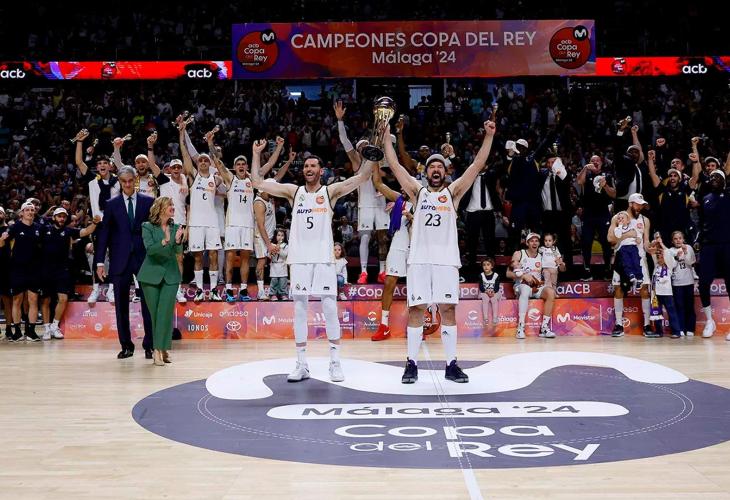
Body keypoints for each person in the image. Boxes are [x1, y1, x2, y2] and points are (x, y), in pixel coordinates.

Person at [251, 138, 374, 383]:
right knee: (299, 310)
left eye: (313, 166)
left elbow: (362, 177)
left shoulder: (330, 192)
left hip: (323, 259)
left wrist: (371, 155)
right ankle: (301, 364)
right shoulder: (293, 192)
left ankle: (335, 362)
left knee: (329, 308)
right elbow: (257, 182)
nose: (309, 169)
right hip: (299, 260)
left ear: (321, 170)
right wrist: (256, 154)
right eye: (306, 166)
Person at [384, 119, 496, 384]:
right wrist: (387, 135)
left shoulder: (453, 193)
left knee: (448, 310)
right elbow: (396, 165)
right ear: (426, 172)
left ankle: (451, 364)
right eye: (432, 166)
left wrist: (489, 136)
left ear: (446, 172)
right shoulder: (417, 192)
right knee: (416, 310)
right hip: (419, 261)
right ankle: (411, 363)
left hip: (446, 261)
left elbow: (476, 166)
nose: (436, 169)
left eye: (440, 166)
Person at [94, 166, 155, 359]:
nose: (127, 184)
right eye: (124, 181)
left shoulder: (149, 201)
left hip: (144, 259)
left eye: (130, 180)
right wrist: (99, 262)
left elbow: (155, 231)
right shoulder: (111, 204)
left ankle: (150, 345)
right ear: (119, 182)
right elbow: (104, 234)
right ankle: (126, 346)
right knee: (121, 306)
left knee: (149, 303)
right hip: (120, 260)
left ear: (135, 180)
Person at [222, 137, 285, 302]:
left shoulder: (253, 179)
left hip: (248, 226)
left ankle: (243, 290)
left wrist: (279, 147)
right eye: (238, 164)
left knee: (245, 259)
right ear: (234, 167)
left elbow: (270, 165)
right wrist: (210, 145)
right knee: (230, 259)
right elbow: (218, 163)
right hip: (232, 225)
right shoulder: (230, 179)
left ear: (247, 166)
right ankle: (228, 290)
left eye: (243, 163)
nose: (241, 166)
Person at [334, 101, 389, 284]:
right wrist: (340, 121)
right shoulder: (357, 163)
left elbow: (387, 175)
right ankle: (363, 272)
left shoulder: (379, 162)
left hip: (380, 203)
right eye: (362, 146)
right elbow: (345, 141)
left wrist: (382, 123)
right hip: (365, 203)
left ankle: (383, 271)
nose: (365, 148)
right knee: (365, 237)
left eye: (367, 145)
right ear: (358, 150)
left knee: (382, 238)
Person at [72, 129, 119, 305]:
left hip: (115, 224)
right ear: (97, 167)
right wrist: (79, 142)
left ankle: (112, 289)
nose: (102, 165)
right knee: (98, 257)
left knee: (114, 257)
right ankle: (96, 289)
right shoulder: (93, 179)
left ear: (111, 166)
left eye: (105, 163)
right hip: (99, 224)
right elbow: (79, 162)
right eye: (99, 163)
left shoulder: (119, 181)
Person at [138, 197, 185, 366]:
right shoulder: (147, 227)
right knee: (155, 315)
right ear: (160, 208)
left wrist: (177, 241)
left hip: (170, 276)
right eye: (169, 205)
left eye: (173, 204)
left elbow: (177, 251)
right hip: (150, 276)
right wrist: (166, 241)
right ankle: (158, 350)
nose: (173, 207)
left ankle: (161, 349)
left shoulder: (176, 227)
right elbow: (151, 250)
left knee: (165, 314)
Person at [39, 208, 100, 340]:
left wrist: (95, 223)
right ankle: (46, 328)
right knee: (45, 300)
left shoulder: (68, 231)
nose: (62, 219)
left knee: (63, 299)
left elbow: (86, 231)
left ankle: (55, 326)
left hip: (62, 270)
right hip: (46, 270)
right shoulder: (44, 229)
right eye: (59, 216)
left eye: (63, 216)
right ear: (54, 217)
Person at [370, 161, 413, 341]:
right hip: (398, 244)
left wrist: (411, 217)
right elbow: (378, 183)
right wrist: (374, 160)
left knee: (416, 286)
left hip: (416, 247)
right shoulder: (398, 199)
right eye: (401, 185)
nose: (402, 188)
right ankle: (384, 326)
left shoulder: (422, 200)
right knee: (389, 283)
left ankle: (417, 325)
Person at [146, 131, 188, 304]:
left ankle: (177, 289)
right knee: (161, 257)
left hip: (180, 225)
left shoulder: (186, 184)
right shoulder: (164, 180)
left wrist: (186, 227)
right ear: (169, 169)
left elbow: (188, 208)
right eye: (174, 167)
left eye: (179, 167)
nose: (176, 170)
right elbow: (151, 164)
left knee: (178, 259)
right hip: (163, 225)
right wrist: (150, 146)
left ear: (181, 169)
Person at [607, 193, 655, 338]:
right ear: (630, 203)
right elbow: (610, 239)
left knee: (644, 289)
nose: (640, 207)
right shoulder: (618, 217)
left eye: (642, 205)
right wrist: (628, 235)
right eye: (637, 204)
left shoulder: (645, 220)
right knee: (619, 289)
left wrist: (651, 248)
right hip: (622, 258)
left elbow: (645, 242)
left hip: (639, 258)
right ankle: (619, 324)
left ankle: (647, 325)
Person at [0, 202, 43, 341]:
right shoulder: (14, 227)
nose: (30, 212)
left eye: (32, 210)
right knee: (17, 300)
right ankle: (17, 331)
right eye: (27, 210)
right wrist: (2, 239)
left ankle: (31, 331)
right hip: (17, 269)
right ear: (22, 213)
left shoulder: (39, 228)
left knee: (33, 300)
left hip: (34, 269)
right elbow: (2, 244)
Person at [695, 169, 730, 340]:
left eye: (717, 176)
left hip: (728, 245)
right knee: (703, 283)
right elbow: (702, 223)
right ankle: (710, 321)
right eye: (711, 177)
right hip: (709, 246)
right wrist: (698, 239)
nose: (713, 179)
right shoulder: (705, 199)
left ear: (724, 180)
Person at [508, 232, 557, 339]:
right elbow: (508, 273)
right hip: (521, 285)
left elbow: (555, 267)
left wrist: (561, 264)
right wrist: (523, 276)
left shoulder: (542, 255)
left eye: (536, 241)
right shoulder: (519, 254)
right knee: (525, 289)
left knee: (550, 292)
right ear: (527, 243)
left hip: (536, 287)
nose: (534, 243)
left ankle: (544, 328)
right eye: (531, 241)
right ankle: (520, 328)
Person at [576, 154, 616, 281]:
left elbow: (614, 194)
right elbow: (579, 181)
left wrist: (605, 186)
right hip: (588, 214)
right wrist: (585, 168)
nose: (595, 162)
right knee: (586, 242)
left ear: (601, 163)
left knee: (606, 242)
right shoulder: (586, 174)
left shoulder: (608, 176)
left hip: (603, 213)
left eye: (597, 160)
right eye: (592, 161)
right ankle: (587, 270)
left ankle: (608, 269)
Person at [648, 236, 681, 338]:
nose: (659, 258)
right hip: (655, 293)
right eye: (658, 256)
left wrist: (661, 243)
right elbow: (651, 250)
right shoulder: (656, 265)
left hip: (667, 293)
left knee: (671, 312)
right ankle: (658, 331)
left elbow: (668, 253)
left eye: (661, 256)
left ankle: (676, 332)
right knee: (656, 313)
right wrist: (654, 243)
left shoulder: (669, 265)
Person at [668, 231, 696, 337]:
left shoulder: (688, 247)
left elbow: (691, 262)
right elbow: (671, 266)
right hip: (677, 283)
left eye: (680, 238)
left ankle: (690, 329)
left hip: (688, 281)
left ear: (683, 239)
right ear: (672, 241)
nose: (678, 240)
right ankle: (680, 328)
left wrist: (686, 252)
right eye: (675, 239)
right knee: (679, 306)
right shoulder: (670, 251)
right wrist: (676, 257)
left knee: (689, 306)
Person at [612, 211, 643, 293]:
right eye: (619, 218)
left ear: (628, 220)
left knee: (636, 262)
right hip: (623, 248)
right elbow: (618, 235)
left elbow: (638, 234)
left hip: (633, 247)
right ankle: (630, 274)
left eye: (622, 218)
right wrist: (620, 226)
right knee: (626, 262)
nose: (620, 219)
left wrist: (639, 238)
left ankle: (639, 278)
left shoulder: (632, 227)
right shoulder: (617, 229)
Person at [479, 257, 501, 329]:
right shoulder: (481, 275)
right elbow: (481, 287)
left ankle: (495, 318)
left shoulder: (496, 275)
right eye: (484, 265)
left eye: (488, 265)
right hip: (485, 292)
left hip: (494, 291)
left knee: (494, 300)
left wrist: (493, 292)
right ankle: (485, 318)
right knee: (485, 300)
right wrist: (486, 291)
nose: (486, 266)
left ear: (492, 266)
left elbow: (497, 286)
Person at [268, 229, 289, 301]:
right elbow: (269, 255)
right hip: (274, 266)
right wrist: (273, 251)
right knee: (274, 281)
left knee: (283, 281)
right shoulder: (271, 245)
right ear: (275, 236)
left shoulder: (286, 246)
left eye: (282, 235)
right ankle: (273, 294)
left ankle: (283, 294)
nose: (280, 237)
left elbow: (285, 255)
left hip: (282, 265)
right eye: (278, 235)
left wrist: (279, 250)